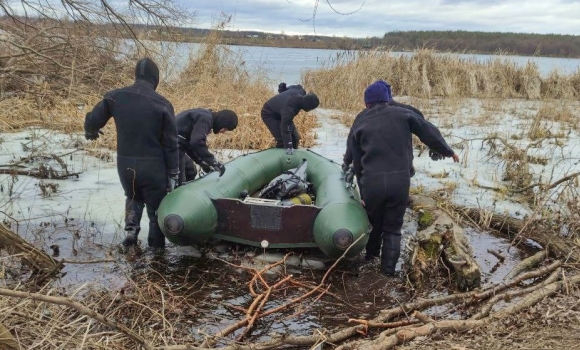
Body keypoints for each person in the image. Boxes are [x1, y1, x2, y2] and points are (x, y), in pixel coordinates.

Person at [347, 81, 460, 276]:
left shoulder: (361, 121)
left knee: (373, 224)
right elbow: (428, 132)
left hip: (371, 182)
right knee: (392, 229)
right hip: (399, 181)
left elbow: (356, 161)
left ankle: (370, 260)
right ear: (387, 100)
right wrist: (447, 151)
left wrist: (362, 190)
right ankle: (387, 274)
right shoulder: (404, 114)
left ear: (367, 103)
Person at [84, 57, 178, 250]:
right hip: (153, 165)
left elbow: (93, 120)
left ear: (136, 75)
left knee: (133, 196)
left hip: (125, 163)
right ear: (155, 78)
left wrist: (90, 131)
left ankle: (131, 232)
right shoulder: (162, 104)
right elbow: (171, 143)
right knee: (155, 210)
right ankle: (157, 252)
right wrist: (173, 173)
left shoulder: (115, 96)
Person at [175, 108, 238, 183]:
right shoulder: (206, 119)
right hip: (169, 146)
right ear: (221, 122)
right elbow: (197, 142)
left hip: (178, 145)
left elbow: (189, 144)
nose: (223, 132)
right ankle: (177, 191)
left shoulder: (205, 116)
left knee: (191, 171)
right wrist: (213, 162)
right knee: (180, 180)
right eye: (225, 128)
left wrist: (201, 162)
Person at [261, 83, 320, 154]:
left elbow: (291, 89)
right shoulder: (289, 109)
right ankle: (282, 156)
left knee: (295, 138)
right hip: (269, 113)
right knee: (282, 140)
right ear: (307, 106)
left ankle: (291, 160)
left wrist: (282, 89)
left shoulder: (300, 90)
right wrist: (288, 147)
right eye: (311, 108)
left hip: (281, 111)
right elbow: (285, 130)